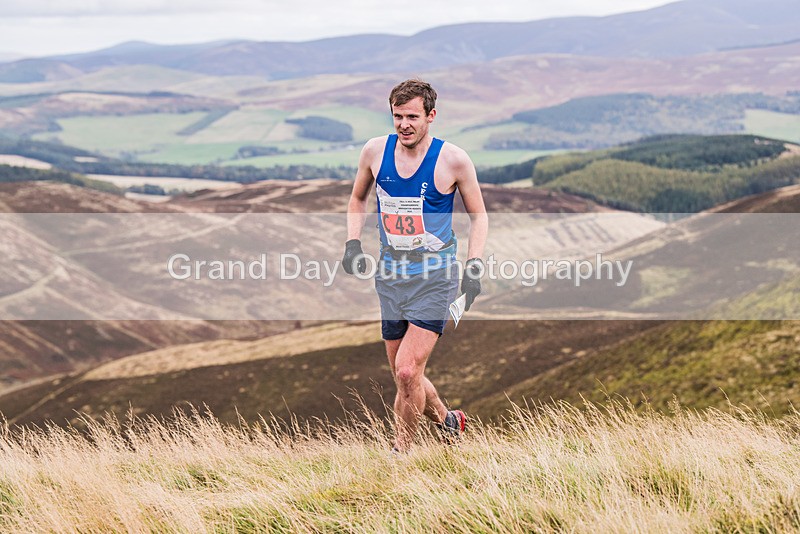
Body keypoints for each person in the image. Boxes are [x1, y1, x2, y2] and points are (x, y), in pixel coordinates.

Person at [342, 79, 488, 452]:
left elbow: (479, 216)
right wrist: (353, 242)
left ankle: (401, 454)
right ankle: (448, 421)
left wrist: (473, 268)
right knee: (405, 376)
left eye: (412, 116)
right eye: (397, 116)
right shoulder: (375, 152)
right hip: (390, 276)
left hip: (435, 277)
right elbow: (357, 199)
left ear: (431, 116)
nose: (404, 124)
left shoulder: (453, 160)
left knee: (407, 371)